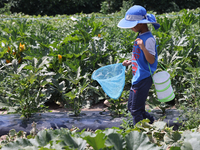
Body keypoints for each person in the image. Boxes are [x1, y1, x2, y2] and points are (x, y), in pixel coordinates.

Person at [117, 5, 160, 125]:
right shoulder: (141, 36)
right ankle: (152, 123)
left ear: (140, 23)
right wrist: (130, 62)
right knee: (132, 107)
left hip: (143, 78)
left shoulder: (148, 39)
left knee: (135, 110)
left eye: (132, 25)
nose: (130, 28)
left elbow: (151, 60)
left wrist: (143, 47)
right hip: (138, 76)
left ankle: (141, 133)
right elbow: (141, 58)